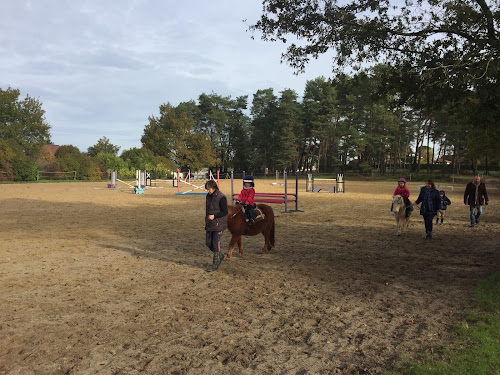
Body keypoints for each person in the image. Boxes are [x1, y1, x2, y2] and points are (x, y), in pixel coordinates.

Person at [205, 180, 227, 272]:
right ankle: (220, 255)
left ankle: (215, 264)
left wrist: (214, 216)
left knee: (215, 243)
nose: (207, 191)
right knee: (208, 242)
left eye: (208, 189)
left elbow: (225, 212)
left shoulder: (222, 197)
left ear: (213, 188)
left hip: (219, 223)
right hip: (210, 223)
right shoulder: (208, 196)